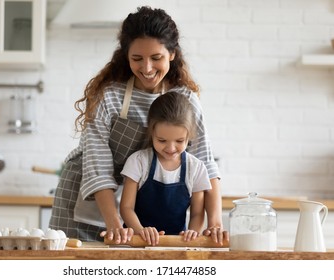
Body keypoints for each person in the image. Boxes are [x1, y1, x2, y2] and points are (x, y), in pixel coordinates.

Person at [49, 6, 228, 245]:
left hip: (133, 208)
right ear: (126, 56)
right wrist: (115, 224)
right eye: (137, 58)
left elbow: (204, 161)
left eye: (156, 58)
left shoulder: (185, 99)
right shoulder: (108, 96)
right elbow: (97, 166)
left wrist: (215, 221)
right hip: (85, 195)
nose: (147, 68)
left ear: (172, 54)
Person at [120, 91, 211, 246]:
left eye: (179, 141)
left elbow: (197, 213)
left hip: (176, 245)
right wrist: (141, 230)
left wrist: (192, 232)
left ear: (189, 136)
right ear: (151, 133)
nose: (170, 148)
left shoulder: (196, 168)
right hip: (137, 241)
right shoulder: (138, 161)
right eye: (162, 140)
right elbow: (126, 207)